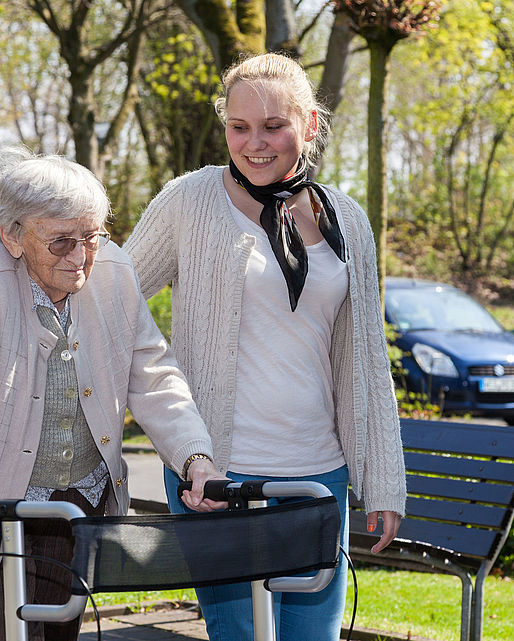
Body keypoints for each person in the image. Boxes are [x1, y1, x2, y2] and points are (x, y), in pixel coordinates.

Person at [124, 52, 406, 640]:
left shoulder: (346, 219)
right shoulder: (189, 202)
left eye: (274, 126)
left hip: (318, 478)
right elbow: (114, 304)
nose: (255, 143)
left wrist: (381, 480)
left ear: (309, 125)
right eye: (239, 126)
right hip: (220, 480)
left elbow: (363, 359)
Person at [0, 151, 225, 641]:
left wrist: (196, 458)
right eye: (61, 241)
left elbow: (153, 376)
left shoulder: (115, 273)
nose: (79, 257)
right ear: (12, 236)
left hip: (79, 509)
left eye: (91, 237)